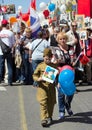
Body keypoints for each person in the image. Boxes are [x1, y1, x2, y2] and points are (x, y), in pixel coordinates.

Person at [50, 32, 75, 119]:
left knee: (70, 93)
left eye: (64, 38)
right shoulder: (55, 49)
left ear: (66, 39)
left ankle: (68, 105)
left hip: (70, 73)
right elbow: (53, 62)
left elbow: (73, 59)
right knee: (61, 93)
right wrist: (55, 63)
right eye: (60, 39)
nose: (62, 40)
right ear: (58, 40)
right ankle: (61, 111)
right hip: (59, 73)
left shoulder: (71, 48)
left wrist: (74, 62)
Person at [33, 48, 58, 127]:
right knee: (43, 103)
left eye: (49, 58)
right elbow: (34, 75)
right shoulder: (40, 66)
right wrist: (38, 79)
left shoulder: (54, 66)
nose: (47, 60)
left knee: (51, 103)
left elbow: (58, 76)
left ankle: (49, 116)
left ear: (51, 58)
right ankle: (43, 119)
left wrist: (57, 74)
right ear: (43, 57)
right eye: (45, 58)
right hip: (42, 87)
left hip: (51, 87)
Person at [0, 19, 15, 85]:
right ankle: (10, 82)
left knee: (1, 66)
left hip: (1, 52)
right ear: (7, 25)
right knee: (9, 66)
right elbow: (13, 44)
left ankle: (0, 80)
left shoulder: (0, 33)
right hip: (9, 51)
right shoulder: (10, 33)